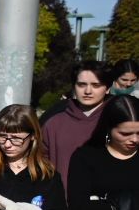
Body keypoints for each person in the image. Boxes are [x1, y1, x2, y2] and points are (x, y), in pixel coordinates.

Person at [42, 62, 113, 193]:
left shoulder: (118, 120)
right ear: (74, 87)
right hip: (60, 205)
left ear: (107, 88)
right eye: (82, 85)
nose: (88, 91)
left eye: (96, 85)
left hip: (107, 206)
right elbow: (40, 164)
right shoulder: (54, 122)